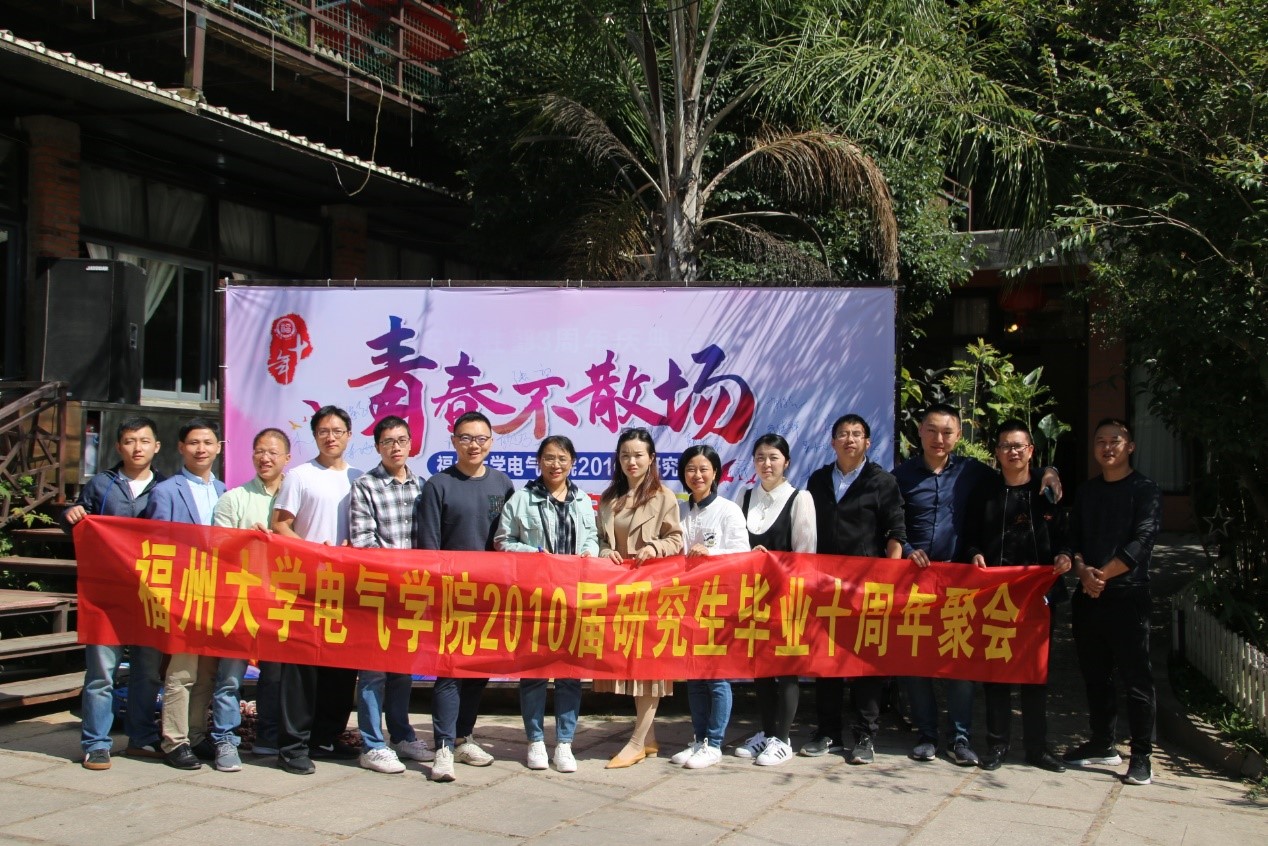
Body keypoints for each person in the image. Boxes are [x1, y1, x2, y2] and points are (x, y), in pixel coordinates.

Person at [895, 403, 1063, 766]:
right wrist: (906, 549)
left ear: (958, 436)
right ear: (920, 432)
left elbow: (1018, 472)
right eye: (931, 430)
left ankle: (960, 737)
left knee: (961, 661)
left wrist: (1050, 472)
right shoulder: (901, 475)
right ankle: (926, 735)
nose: (939, 439)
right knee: (916, 660)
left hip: (961, 582)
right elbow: (891, 522)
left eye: (947, 432)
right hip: (916, 580)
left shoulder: (973, 472)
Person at [963, 420, 1070, 772]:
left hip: (1039, 595)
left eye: (1019, 446)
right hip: (996, 596)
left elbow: (1066, 535)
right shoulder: (984, 493)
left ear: (1030, 451)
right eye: (1006, 446)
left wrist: (1065, 556)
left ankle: (1037, 748)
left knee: (1035, 673)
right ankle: (997, 745)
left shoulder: (1047, 491)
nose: (1013, 452)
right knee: (995, 673)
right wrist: (975, 553)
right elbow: (970, 537)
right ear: (997, 453)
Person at [415, 411, 515, 782]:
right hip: (450, 595)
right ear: (454, 441)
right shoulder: (438, 485)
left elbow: (509, 539)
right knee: (449, 672)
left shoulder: (502, 484)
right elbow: (429, 544)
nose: (474, 445)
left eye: (481, 438)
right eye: (467, 438)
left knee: (477, 671)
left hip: (489, 596)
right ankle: (442, 746)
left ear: (491, 442)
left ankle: (463, 737)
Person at [1061, 418, 1161, 786]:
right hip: (1089, 596)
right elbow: (1073, 540)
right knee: (1095, 675)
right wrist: (1083, 572)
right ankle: (1102, 742)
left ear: (1130, 446)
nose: (1107, 447)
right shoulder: (1088, 492)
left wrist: (1101, 575)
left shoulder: (1145, 490)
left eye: (1115, 440)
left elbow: (1142, 542)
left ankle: (1142, 755)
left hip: (1128, 595)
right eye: (1100, 441)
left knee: (1136, 679)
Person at [803, 414, 907, 765]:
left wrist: (889, 581)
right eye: (843, 434)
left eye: (857, 434)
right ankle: (828, 732)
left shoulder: (882, 481)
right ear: (832, 442)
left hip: (867, 586)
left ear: (867, 442)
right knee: (826, 661)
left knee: (866, 663)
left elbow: (896, 533)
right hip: (825, 586)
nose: (850, 439)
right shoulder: (818, 479)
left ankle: (865, 736)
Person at [63, 416, 165, 771]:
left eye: (144, 440)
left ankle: (142, 738)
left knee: (147, 672)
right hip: (105, 594)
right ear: (119, 446)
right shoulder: (101, 485)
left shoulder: (167, 487)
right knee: (102, 673)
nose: (137, 447)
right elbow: (76, 520)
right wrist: (71, 513)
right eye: (130, 441)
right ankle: (96, 742)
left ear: (157, 447)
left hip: (151, 594)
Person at [496, 435, 600, 774]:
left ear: (572, 463)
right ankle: (536, 741)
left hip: (574, 598)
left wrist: (589, 553)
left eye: (563, 458)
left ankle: (565, 742)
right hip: (536, 599)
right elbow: (503, 541)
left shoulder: (582, 500)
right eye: (550, 458)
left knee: (570, 673)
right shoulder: (521, 499)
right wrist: (535, 555)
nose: (556, 465)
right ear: (539, 461)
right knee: (535, 673)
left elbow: (593, 537)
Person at [272, 406, 364, 775]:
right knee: (302, 669)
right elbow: (280, 525)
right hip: (307, 586)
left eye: (338, 431)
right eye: (324, 431)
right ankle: (292, 746)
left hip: (349, 587)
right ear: (314, 436)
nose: (331, 437)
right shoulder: (300, 476)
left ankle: (326, 737)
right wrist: (315, 552)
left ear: (349, 435)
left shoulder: (359, 478)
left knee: (342, 668)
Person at [349, 416, 434, 774]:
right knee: (373, 672)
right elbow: (362, 540)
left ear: (411, 444)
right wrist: (396, 574)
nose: (395, 447)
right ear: (377, 447)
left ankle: (401, 735)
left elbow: (429, 539)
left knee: (402, 670)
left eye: (401, 440)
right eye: (387, 441)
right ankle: (372, 744)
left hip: (413, 593)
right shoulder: (365, 486)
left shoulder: (423, 486)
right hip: (378, 591)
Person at [595, 427, 684, 769]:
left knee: (649, 667)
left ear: (651, 459)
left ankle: (635, 742)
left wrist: (655, 547)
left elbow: (676, 539)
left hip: (652, 590)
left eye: (638, 455)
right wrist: (606, 552)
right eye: (625, 455)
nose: (631, 461)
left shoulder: (664, 497)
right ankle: (648, 738)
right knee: (631, 666)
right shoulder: (609, 498)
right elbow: (600, 539)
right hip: (619, 591)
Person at [143, 418, 229, 772]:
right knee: (181, 672)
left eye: (207, 442)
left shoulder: (226, 491)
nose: (201, 449)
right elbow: (157, 547)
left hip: (218, 595)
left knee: (208, 672)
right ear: (181, 448)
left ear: (218, 447)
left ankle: (195, 735)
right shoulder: (166, 491)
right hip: (183, 592)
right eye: (194, 442)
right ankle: (174, 741)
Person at [732, 433, 816, 767]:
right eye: (760, 458)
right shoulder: (744, 496)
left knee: (787, 669)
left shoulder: (800, 499)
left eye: (773, 458)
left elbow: (805, 557)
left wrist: (774, 563)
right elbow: (735, 546)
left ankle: (783, 739)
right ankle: (767, 733)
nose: (766, 464)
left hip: (787, 596)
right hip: (752, 596)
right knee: (761, 668)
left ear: (787, 462)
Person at [669, 444, 749, 770]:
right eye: (691, 469)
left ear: (715, 473)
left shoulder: (728, 510)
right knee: (694, 677)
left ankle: (714, 743)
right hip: (687, 604)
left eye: (704, 469)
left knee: (717, 676)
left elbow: (743, 555)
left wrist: (710, 554)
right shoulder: (679, 511)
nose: (697, 475)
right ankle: (699, 738)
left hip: (719, 604)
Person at [212, 427, 290, 758]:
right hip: (240, 599)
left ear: (287, 458)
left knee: (275, 675)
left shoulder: (295, 498)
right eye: (259, 451)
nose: (265, 458)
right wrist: (248, 540)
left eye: (273, 452)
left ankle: (268, 737)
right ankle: (225, 739)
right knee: (230, 675)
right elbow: (217, 550)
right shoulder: (234, 498)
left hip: (281, 601)